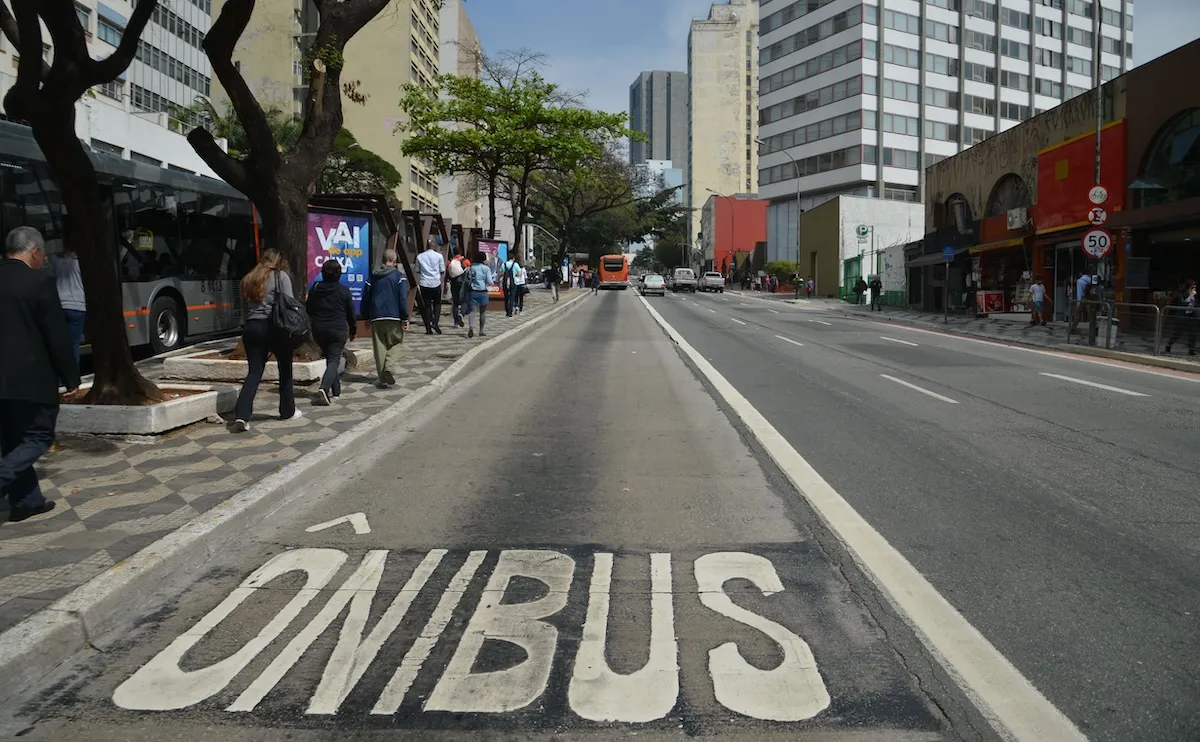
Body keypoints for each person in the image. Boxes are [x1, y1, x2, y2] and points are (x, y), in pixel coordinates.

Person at [0, 227, 79, 522]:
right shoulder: (40, 282)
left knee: (12, 439)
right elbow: (56, 336)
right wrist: (70, 378)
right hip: (32, 379)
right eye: (42, 254)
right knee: (38, 436)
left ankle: (28, 502)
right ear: (34, 251)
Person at [233, 249, 300, 432]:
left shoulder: (247, 279)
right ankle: (287, 410)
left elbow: (244, 311)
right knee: (285, 368)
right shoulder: (280, 276)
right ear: (278, 260)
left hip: (251, 328)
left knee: (254, 372)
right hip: (274, 327)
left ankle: (242, 414)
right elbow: (289, 302)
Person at [306, 260, 356, 406]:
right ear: (339, 274)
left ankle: (336, 391)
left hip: (319, 330)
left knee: (330, 358)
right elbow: (351, 314)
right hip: (337, 330)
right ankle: (324, 387)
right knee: (334, 360)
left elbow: (309, 309)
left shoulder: (315, 288)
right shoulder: (344, 291)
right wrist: (353, 330)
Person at [361, 248, 410, 388]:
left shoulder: (373, 277)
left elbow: (366, 297)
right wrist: (404, 317)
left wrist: (365, 316)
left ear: (383, 260)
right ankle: (390, 368)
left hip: (376, 316)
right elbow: (402, 299)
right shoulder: (399, 277)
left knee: (380, 347)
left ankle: (382, 378)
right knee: (396, 342)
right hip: (394, 316)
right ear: (394, 261)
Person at [49, 230, 87, 367]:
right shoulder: (82, 261)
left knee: (60, 344)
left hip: (60, 305)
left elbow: (50, 259)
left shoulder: (57, 260)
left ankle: (60, 375)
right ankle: (73, 377)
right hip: (78, 306)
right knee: (73, 345)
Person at [415, 239, 445, 335]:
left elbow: (417, 270)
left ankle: (428, 328)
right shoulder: (439, 256)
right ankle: (435, 322)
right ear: (434, 246)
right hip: (436, 282)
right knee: (437, 304)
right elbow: (442, 270)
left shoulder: (420, 256)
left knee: (427, 305)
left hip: (424, 283)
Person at [464, 251, 495, 338]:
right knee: (483, 312)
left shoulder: (470, 268)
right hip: (483, 292)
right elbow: (490, 282)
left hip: (472, 291)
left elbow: (466, 281)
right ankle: (481, 330)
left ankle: (471, 328)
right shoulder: (486, 269)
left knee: (472, 311)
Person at [1164, 279, 1197, 356]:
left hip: (1191, 316)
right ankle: (1169, 345)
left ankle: (1192, 350)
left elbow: (1196, 304)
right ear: (1188, 287)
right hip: (1182, 316)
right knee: (1178, 333)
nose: (1194, 289)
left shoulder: (1195, 295)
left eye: (1195, 287)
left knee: (1192, 334)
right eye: (1192, 287)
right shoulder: (1182, 294)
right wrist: (1190, 296)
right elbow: (1182, 303)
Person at [447, 247, 469, 328]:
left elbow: (448, 274)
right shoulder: (465, 261)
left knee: (455, 302)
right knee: (465, 300)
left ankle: (456, 322)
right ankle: (461, 314)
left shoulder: (450, 262)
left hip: (453, 283)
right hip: (463, 283)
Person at [501, 253, 520, 317]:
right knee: (512, 297)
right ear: (513, 258)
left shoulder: (503, 264)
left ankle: (506, 311)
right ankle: (510, 312)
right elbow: (519, 274)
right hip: (513, 282)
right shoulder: (516, 264)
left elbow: (501, 273)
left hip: (505, 283)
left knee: (506, 297)